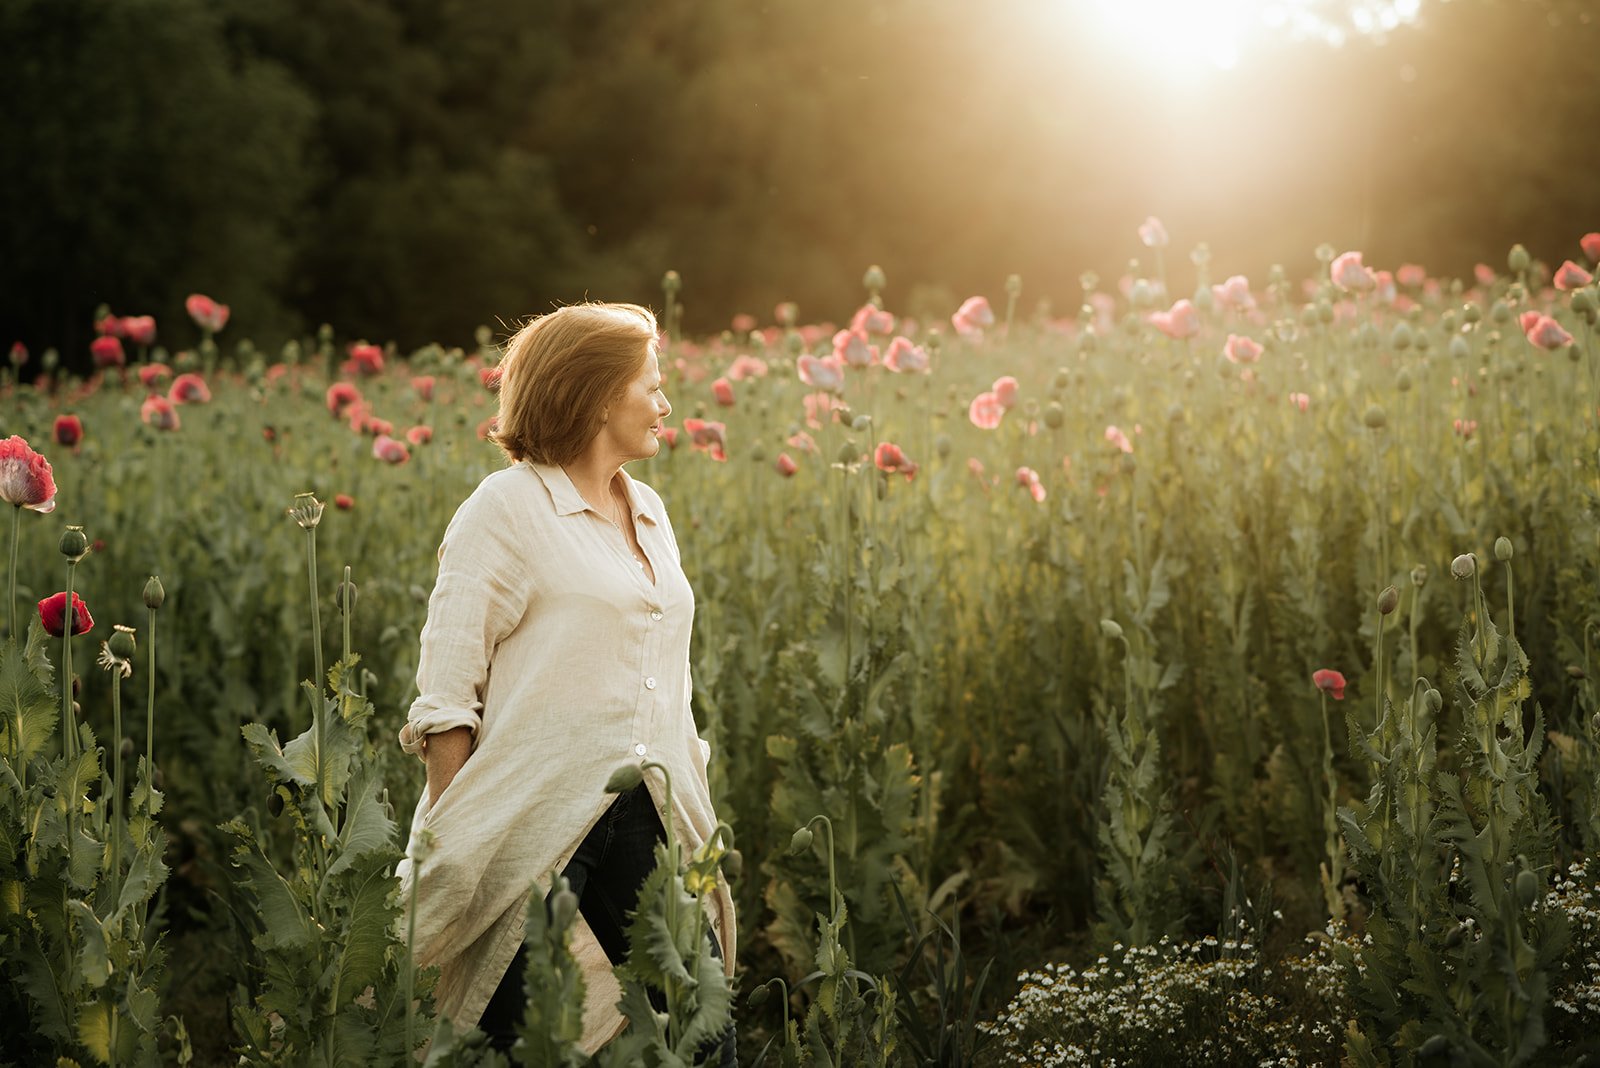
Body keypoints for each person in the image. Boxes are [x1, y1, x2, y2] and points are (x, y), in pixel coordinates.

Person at [395, 302, 736, 1060]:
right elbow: (447, 690)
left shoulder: (648, 510)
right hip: (535, 815)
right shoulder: (506, 509)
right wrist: (459, 835)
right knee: (513, 1039)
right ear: (599, 395)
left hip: (646, 807)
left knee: (701, 1025)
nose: (666, 404)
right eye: (651, 385)